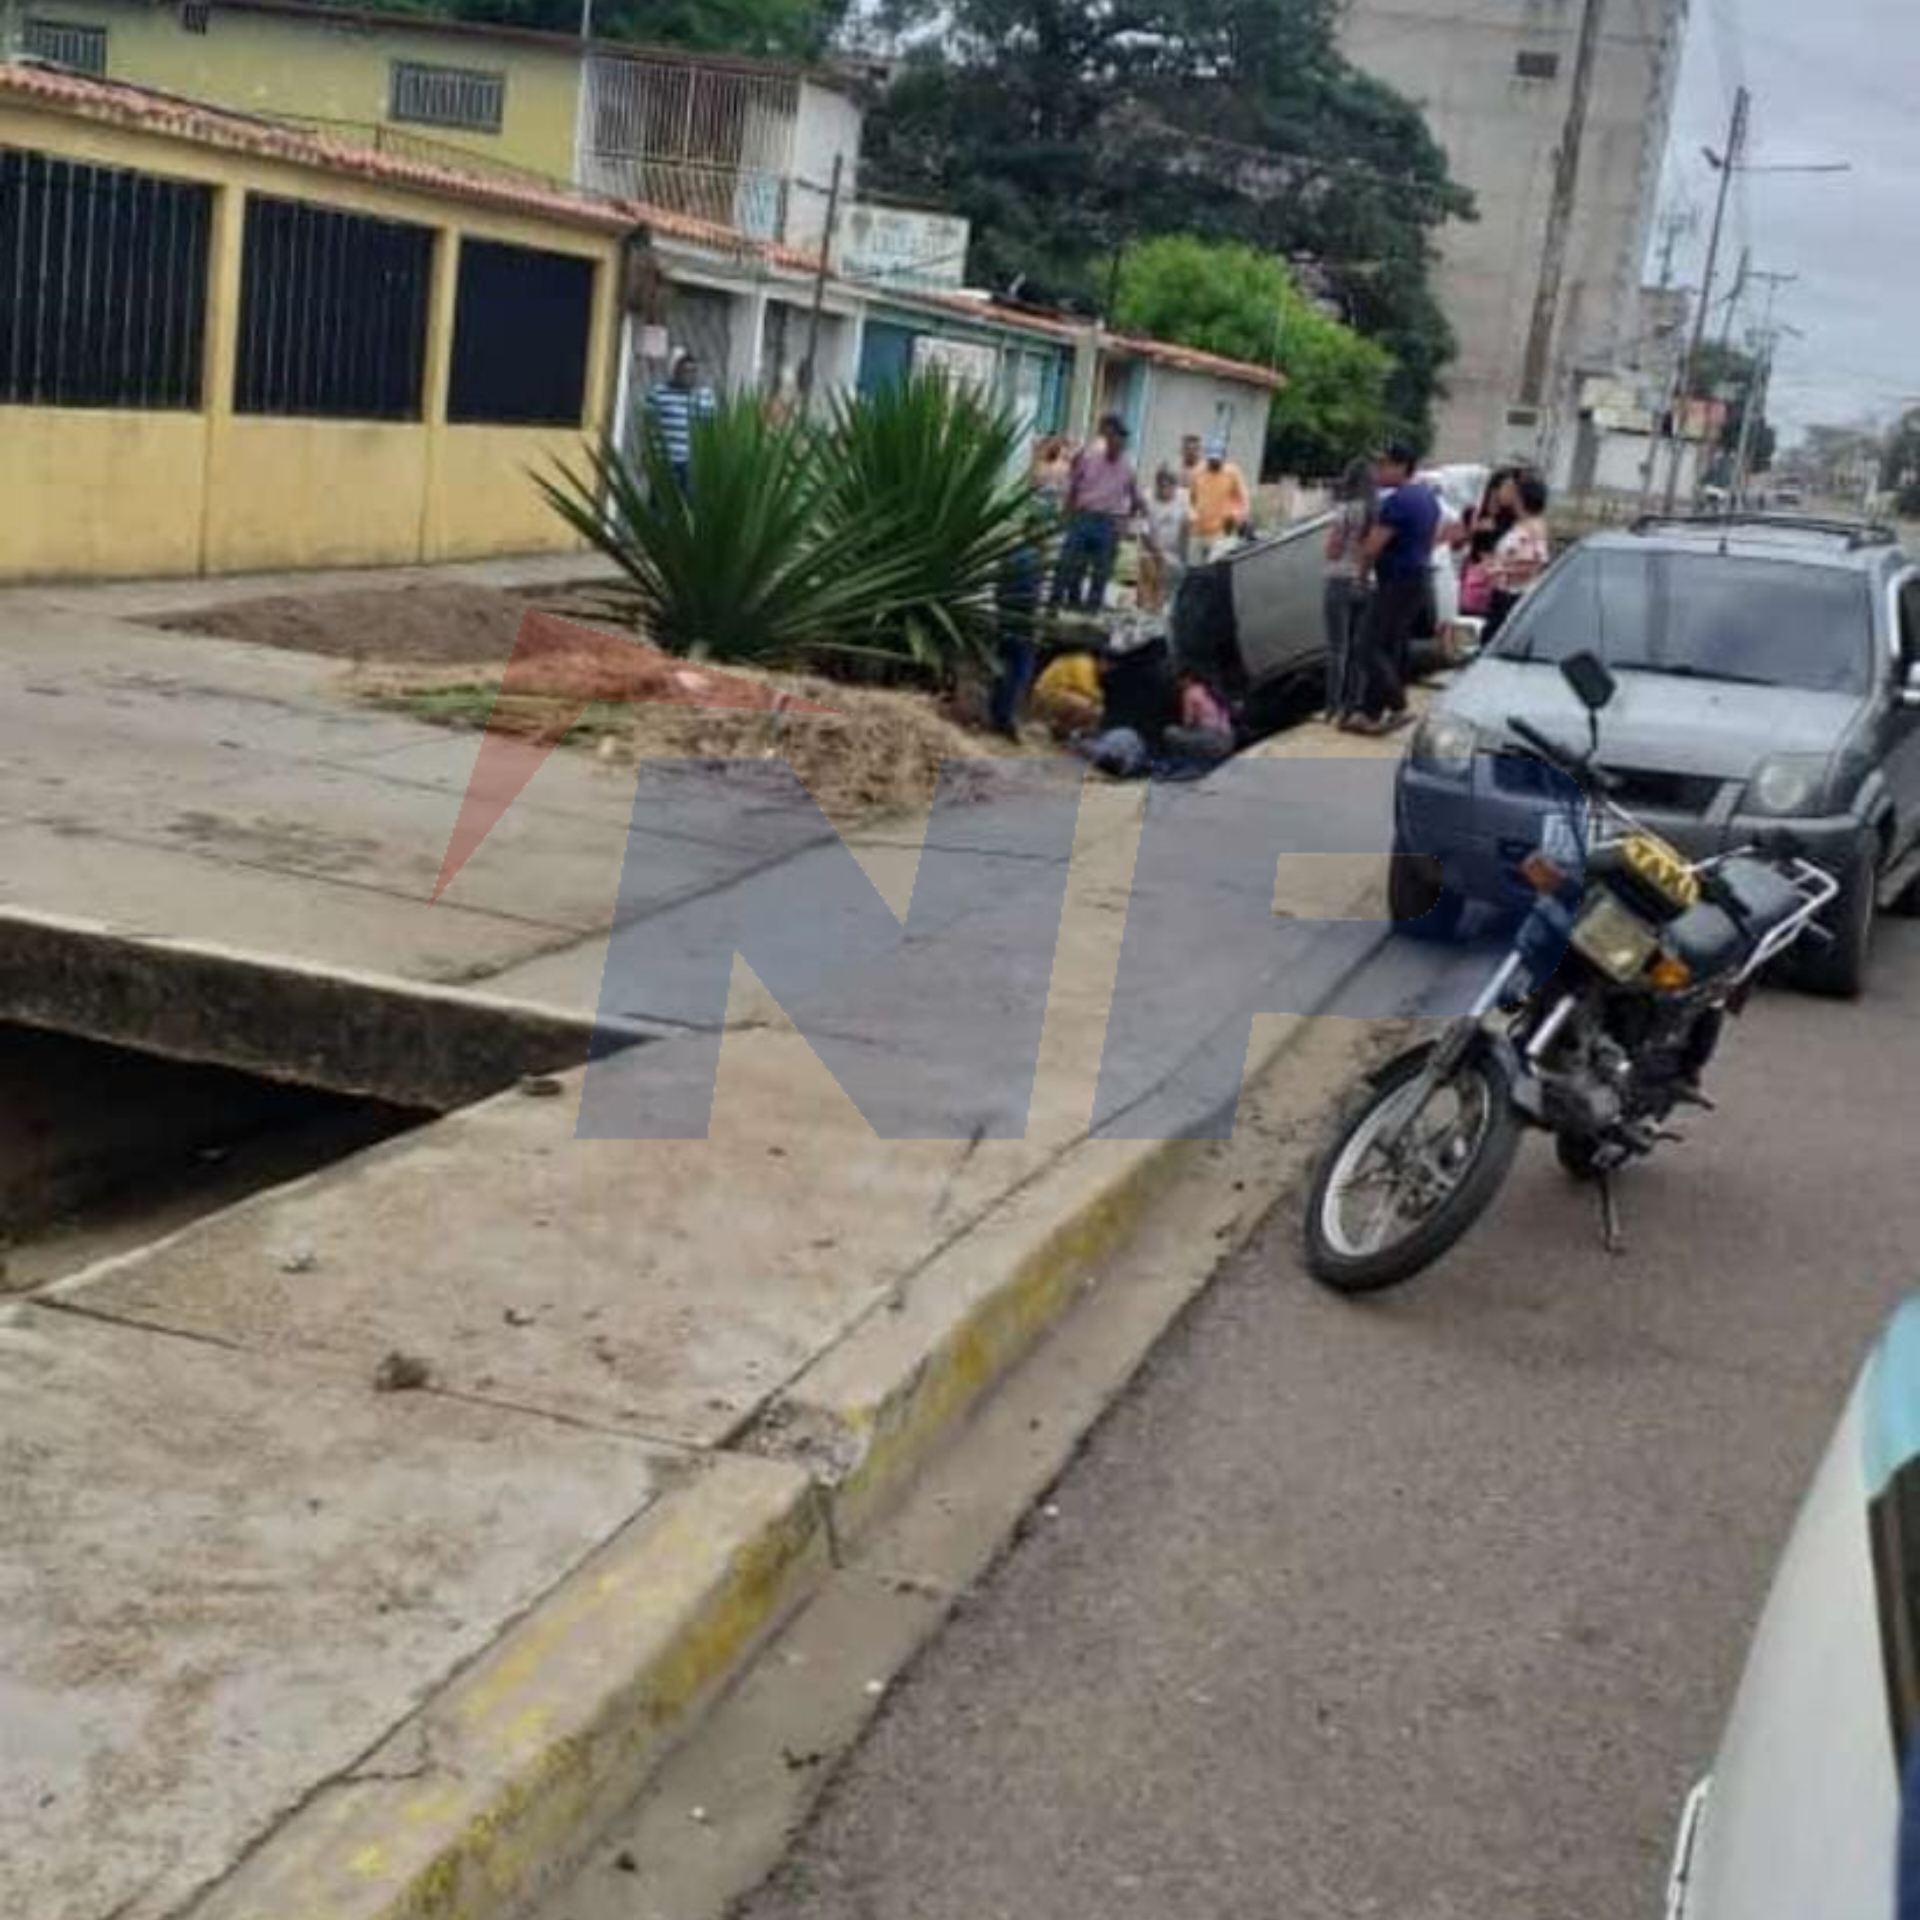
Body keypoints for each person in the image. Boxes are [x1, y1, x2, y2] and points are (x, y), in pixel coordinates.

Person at [1349, 440, 1440, 734]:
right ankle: (1368, 713)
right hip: (1418, 579)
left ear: (1402, 467)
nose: (1378, 470)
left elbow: (1372, 548)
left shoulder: (1398, 501)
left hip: (1397, 581)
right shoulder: (1427, 498)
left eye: (1384, 464)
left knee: (1366, 645)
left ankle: (1399, 707)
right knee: (1387, 647)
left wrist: (1360, 579)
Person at [1050, 415, 1151, 611]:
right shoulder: (1089, 458)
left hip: (1108, 523)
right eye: (1113, 437)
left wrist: (1127, 522)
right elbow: (1073, 487)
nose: (1117, 442)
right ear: (1107, 437)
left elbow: (1137, 499)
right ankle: (1065, 603)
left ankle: (1091, 609)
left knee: (1101, 571)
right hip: (1083, 517)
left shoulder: (1128, 468)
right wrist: (1066, 514)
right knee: (1069, 563)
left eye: (1121, 439)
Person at [1322, 457, 1376, 724]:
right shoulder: (1378, 511)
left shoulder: (1344, 511)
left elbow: (1332, 550)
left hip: (1340, 578)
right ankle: (1353, 705)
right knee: (1359, 649)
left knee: (1337, 649)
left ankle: (1332, 707)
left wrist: (1333, 548)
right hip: (1367, 581)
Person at [1482, 471, 1552, 641]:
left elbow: (1532, 566)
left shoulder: (1532, 528)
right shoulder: (1522, 524)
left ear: (1522, 499)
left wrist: (1498, 569)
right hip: (1503, 593)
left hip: (1512, 596)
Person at [988, 534, 1045, 739]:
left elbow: (998, 593)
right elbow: (1033, 599)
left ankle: (995, 714)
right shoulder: (1034, 560)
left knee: (1002, 669)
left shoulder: (1008, 557)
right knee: (1019, 673)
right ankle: (1005, 719)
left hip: (1004, 620)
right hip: (1024, 625)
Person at [646, 352, 716, 497]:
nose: (689, 375)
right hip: (665, 462)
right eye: (685, 371)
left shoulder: (706, 396)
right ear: (675, 372)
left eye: (693, 371)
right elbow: (649, 425)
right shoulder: (658, 393)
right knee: (660, 506)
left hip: (692, 464)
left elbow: (711, 428)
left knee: (689, 508)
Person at [1137, 465, 1191, 613]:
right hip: (1150, 548)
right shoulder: (1147, 497)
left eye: (1168, 485)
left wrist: (1184, 554)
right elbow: (1143, 529)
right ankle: (1143, 609)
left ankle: (1156, 611)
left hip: (1173, 551)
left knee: (1163, 580)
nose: (1164, 489)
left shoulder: (1184, 497)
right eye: (1161, 485)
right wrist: (1156, 551)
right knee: (1149, 572)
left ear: (1175, 485)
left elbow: (1187, 526)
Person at [1189, 437, 1252, 551]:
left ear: (1224, 457)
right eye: (1211, 459)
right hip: (1197, 531)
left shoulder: (1232, 472)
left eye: (1217, 459)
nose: (1214, 462)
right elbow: (1191, 498)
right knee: (1196, 566)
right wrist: (1191, 514)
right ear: (1206, 456)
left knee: (1215, 564)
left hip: (1220, 532)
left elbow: (1243, 498)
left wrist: (1238, 516)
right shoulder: (1197, 472)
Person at [1032, 644, 1104, 740]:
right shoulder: (1083, 662)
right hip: (1048, 694)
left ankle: (1061, 731)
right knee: (1088, 706)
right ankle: (1060, 731)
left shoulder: (1084, 661)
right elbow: (1085, 687)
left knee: (1094, 708)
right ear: (1103, 660)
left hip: (1053, 693)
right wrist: (1099, 696)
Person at [1163, 668, 1235, 763]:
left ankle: (1187, 760)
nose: (1178, 684)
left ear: (1187, 679)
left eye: (1178, 681)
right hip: (1230, 738)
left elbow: (1188, 722)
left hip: (1216, 740)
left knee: (1170, 731)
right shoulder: (1207, 687)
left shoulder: (1188, 693)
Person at [1031, 434, 1075, 516]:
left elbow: (1035, 441)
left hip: (1044, 497)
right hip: (1050, 498)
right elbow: (1065, 488)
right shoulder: (1063, 465)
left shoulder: (1040, 463)